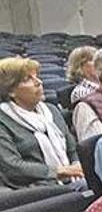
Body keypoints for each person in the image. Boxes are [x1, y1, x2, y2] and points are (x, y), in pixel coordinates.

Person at [0, 58, 83, 189]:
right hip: (30, 189)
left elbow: (72, 148)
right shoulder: (3, 120)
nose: (38, 82)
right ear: (10, 90)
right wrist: (58, 171)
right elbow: (13, 166)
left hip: (71, 179)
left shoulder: (52, 110)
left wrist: (77, 164)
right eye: (27, 79)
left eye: (37, 76)